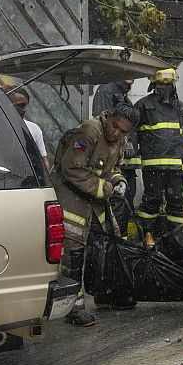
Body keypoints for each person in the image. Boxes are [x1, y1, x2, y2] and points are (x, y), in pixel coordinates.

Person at [51, 103, 140, 326]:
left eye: (123, 131)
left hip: (93, 202)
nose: (116, 134)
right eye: (115, 127)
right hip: (71, 202)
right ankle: (74, 308)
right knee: (74, 254)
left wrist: (119, 180)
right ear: (108, 117)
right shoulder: (88, 132)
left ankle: (105, 293)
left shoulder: (119, 139)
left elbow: (112, 169)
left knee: (104, 246)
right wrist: (106, 188)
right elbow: (72, 169)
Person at [134, 68, 183, 245]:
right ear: (154, 85)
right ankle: (148, 234)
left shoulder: (182, 109)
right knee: (151, 200)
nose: (165, 87)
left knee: (176, 202)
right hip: (153, 167)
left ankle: (175, 238)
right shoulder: (143, 106)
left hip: (176, 167)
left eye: (168, 84)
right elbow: (132, 134)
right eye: (161, 84)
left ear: (173, 85)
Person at [92, 78, 140, 236]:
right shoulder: (106, 90)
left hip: (125, 167)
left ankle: (122, 244)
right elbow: (105, 126)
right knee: (115, 206)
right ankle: (115, 244)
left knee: (126, 203)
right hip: (111, 166)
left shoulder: (124, 97)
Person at [10, 88, 49, 171]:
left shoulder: (34, 129)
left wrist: (46, 181)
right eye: (20, 105)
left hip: (29, 180)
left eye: (25, 105)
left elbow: (43, 160)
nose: (24, 109)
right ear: (8, 105)